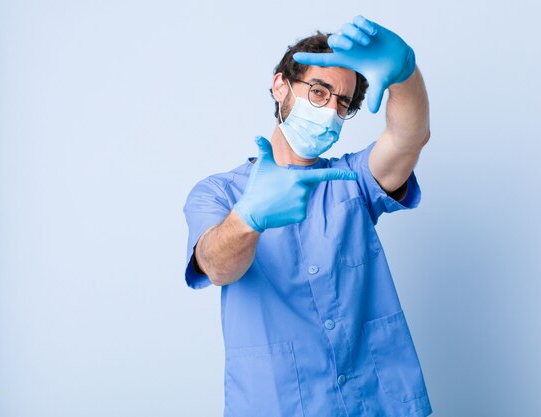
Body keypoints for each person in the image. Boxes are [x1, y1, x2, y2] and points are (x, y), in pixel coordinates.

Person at [183, 15, 432, 417]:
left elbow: (409, 137)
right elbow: (215, 265)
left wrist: (406, 73)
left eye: (343, 103)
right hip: (280, 404)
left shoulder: (352, 179)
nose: (330, 109)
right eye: (319, 91)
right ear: (281, 85)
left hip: (377, 401)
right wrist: (248, 218)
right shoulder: (218, 193)